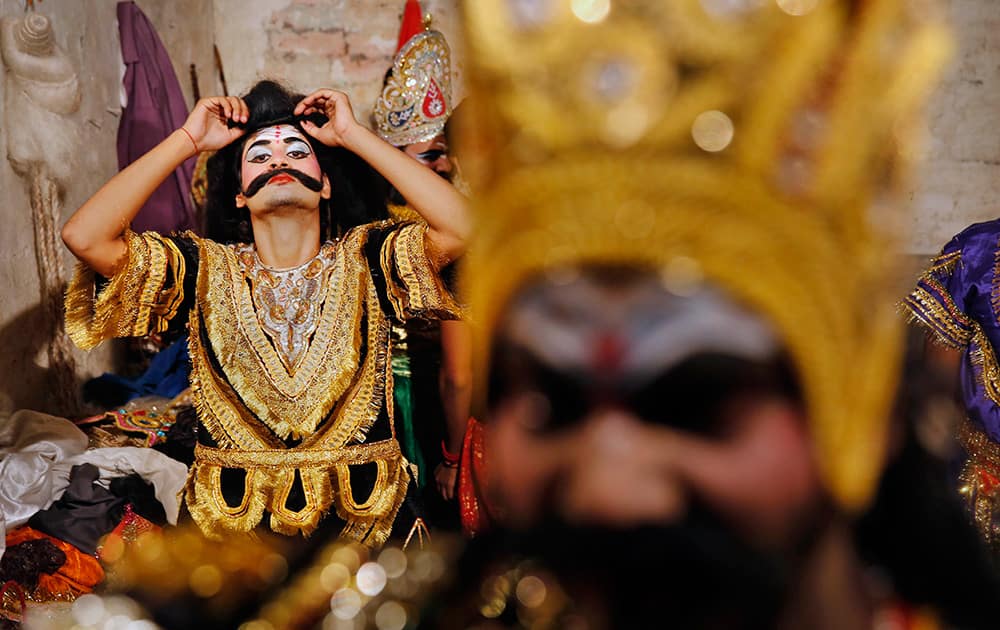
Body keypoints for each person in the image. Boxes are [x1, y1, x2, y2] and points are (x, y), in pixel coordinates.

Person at [61, 78, 469, 548]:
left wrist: (355, 135)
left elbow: (463, 227)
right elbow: (86, 238)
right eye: (260, 157)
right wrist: (188, 141)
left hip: (365, 533)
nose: (279, 160)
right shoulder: (202, 269)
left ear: (326, 184)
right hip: (237, 539)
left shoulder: (368, 258)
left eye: (297, 152)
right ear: (239, 195)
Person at [373, 0, 471, 518]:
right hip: (393, 392)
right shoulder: (377, 225)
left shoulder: (458, 225)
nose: (441, 166)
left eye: (443, 154)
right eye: (425, 156)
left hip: (447, 389)